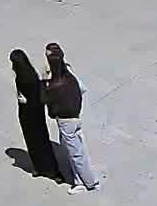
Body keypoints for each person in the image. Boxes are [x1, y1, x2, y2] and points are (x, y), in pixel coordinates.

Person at [42, 43, 99, 193]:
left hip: (65, 121)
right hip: (75, 116)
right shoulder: (69, 74)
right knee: (76, 148)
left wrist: (44, 83)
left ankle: (90, 182)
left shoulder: (54, 84)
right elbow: (82, 88)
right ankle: (78, 180)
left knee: (75, 153)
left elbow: (49, 106)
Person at [9, 49, 62, 183]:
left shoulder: (22, 78)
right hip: (37, 113)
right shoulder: (31, 74)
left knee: (34, 142)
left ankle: (43, 168)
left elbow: (25, 97)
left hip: (28, 113)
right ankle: (51, 171)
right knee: (42, 140)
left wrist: (23, 101)